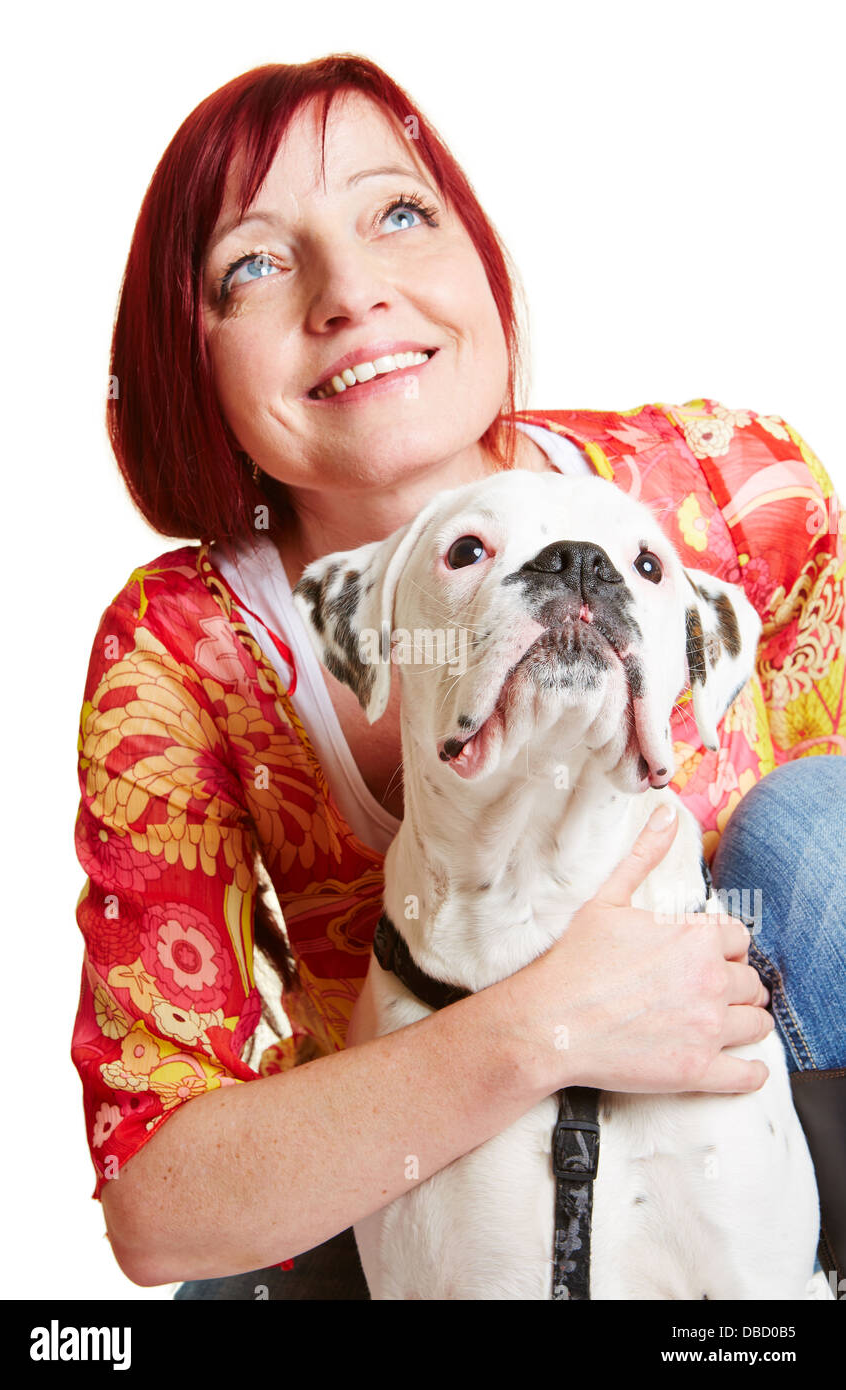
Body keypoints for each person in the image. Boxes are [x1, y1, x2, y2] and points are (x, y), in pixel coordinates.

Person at [72, 54, 846, 1301]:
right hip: (424, 1161)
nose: (350, 291)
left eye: (397, 212)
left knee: (814, 830)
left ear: (480, 265)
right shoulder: (188, 656)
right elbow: (160, 1211)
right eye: (255, 263)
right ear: (186, 357)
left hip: (746, 1146)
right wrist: (549, 1022)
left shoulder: (727, 492)